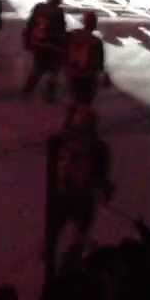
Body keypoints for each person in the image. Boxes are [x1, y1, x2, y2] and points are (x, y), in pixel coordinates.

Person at [45, 107, 113, 275]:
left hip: (82, 200)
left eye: (84, 128)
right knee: (53, 239)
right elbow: (55, 171)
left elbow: (101, 174)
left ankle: (69, 269)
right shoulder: (61, 144)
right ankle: (55, 270)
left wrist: (102, 188)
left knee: (76, 239)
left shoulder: (98, 149)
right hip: (63, 199)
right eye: (77, 128)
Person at [22, 0, 67, 103]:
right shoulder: (58, 12)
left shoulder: (39, 7)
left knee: (38, 67)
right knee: (54, 69)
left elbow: (30, 23)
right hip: (50, 44)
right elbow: (60, 32)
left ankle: (28, 89)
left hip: (37, 41)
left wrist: (28, 39)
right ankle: (49, 94)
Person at [64, 11, 108, 125]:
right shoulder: (96, 42)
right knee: (85, 103)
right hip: (87, 76)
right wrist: (104, 77)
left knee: (75, 100)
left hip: (72, 74)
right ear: (94, 24)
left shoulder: (73, 35)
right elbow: (99, 63)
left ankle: (68, 123)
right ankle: (82, 127)